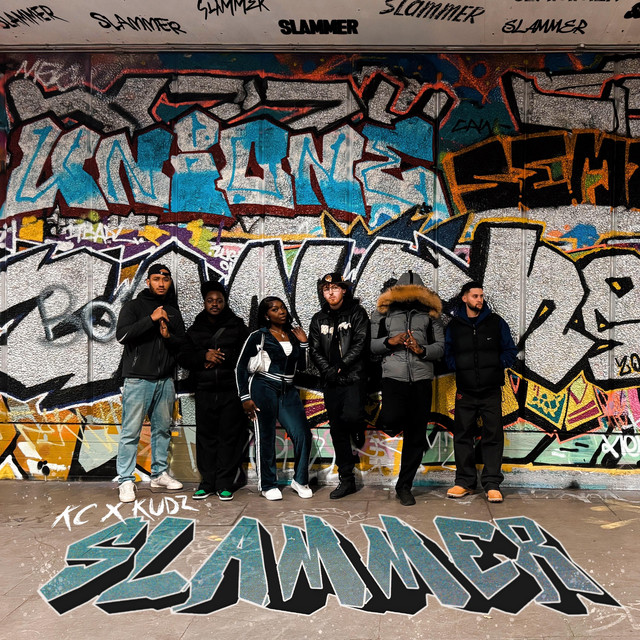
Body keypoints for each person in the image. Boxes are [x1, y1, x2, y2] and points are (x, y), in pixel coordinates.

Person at [370, 271, 444, 506]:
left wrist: (421, 350)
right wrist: (390, 342)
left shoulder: (431, 315)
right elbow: (371, 346)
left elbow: (441, 347)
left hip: (421, 380)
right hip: (393, 377)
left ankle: (404, 486)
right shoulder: (382, 314)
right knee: (391, 418)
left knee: (416, 435)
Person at [115, 263, 185, 503]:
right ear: (148, 282)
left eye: (165, 279)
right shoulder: (134, 307)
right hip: (138, 379)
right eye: (156, 279)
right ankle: (125, 480)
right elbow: (122, 335)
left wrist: (168, 336)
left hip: (165, 380)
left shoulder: (173, 311)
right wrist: (151, 319)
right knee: (131, 431)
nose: (161, 283)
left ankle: (159, 474)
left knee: (162, 429)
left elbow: (182, 345)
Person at [444, 281, 518, 503]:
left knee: (493, 436)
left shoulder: (495, 322)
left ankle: (492, 484)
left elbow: (510, 350)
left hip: (491, 390)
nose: (479, 300)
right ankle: (464, 482)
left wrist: (497, 365)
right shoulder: (454, 326)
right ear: (464, 298)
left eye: (481, 296)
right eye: (475, 296)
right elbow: (447, 353)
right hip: (465, 391)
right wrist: (458, 366)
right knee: (462, 436)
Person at [236, 297, 313, 501]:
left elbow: (302, 366)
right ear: (266, 315)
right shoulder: (258, 336)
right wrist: (245, 397)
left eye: (283, 308)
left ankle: (300, 480)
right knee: (266, 435)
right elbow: (241, 367)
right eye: (275, 309)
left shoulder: (293, 335)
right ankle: (268, 485)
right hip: (263, 386)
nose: (281, 312)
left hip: (288, 389)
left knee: (302, 434)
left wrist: (304, 343)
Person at [179, 281, 249, 501]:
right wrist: (203, 357)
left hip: (231, 391)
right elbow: (183, 356)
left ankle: (225, 483)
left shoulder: (237, 326)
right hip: (204, 391)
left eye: (219, 300)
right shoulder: (196, 328)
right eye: (210, 300)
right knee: (206, 438)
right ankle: (207, 483)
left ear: (225, 302)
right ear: (204, 303)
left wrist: (221, 358)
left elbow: (248, 352)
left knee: (229, 438)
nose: (215, 304)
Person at [309, 272, 369, 499]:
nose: (331, 292)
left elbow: (361, 343)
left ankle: (358, 426)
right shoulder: (318, 319)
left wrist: (341, 366)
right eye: (326, 289)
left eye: (335, 288)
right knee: (337, 429)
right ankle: (347, 479)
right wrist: (329, 370)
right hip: (331, 380)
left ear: (344, 290)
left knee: (352, 417)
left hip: (353, 377)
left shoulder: (357, 313)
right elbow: (314, 348)